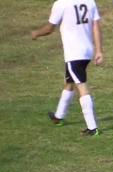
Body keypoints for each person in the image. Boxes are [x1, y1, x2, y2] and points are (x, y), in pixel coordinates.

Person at [31, 0, 103, 136]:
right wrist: (99, 50)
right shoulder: (90, 2)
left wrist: (36, 33)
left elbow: (49, 29)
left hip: (74, 54)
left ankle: (93, 128)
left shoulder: (61, 4)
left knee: (81, 86)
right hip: (87, 51)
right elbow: (96, 26)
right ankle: (59, 117)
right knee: (70, 82)